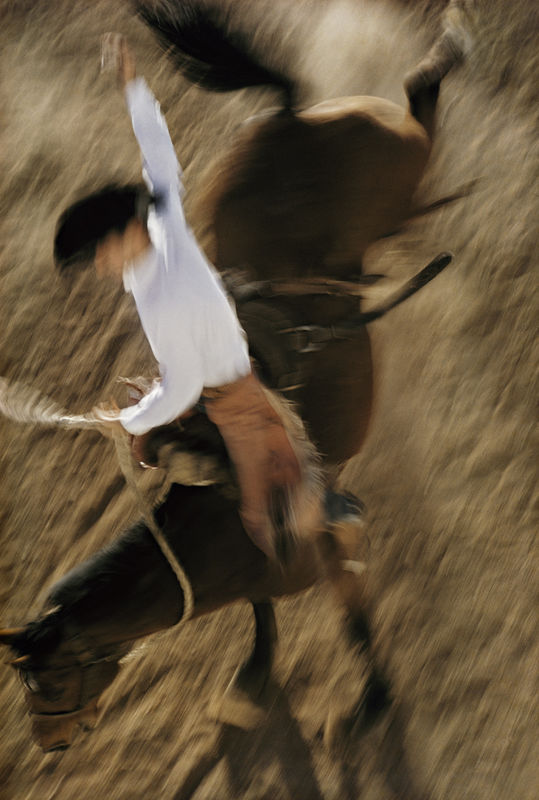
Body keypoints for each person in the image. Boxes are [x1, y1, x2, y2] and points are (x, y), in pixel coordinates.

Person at [53, 34, 323, 562]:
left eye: (99, 256)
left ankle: (326, 515)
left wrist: (127, 422)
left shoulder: (165, 300)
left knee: (266, 524)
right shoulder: (162, 218)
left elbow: (179, 393)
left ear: (121, 236)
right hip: (213, 360)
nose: (102, 269)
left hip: (232, 402)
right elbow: (158, 153)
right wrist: (132, 85)